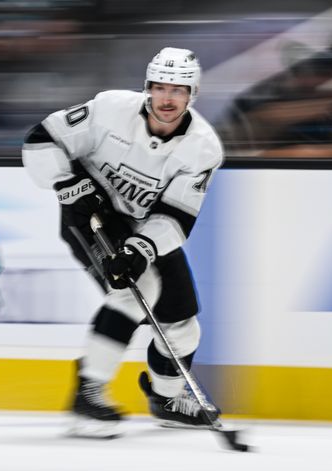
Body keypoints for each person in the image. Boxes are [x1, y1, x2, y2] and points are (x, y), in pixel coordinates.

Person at [22, 48, 224, 438]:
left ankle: (167, 398)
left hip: (144, 227)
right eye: (160, 87)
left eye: (178, 90)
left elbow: (177, 216)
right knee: (137, 290)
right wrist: (66, 183)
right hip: (91, 217)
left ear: (192, 93)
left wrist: (140, 249)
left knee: (183, 323)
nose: (167, 99)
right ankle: (88, 393)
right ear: (147, 87)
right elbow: (41, 138)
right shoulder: (110, 108)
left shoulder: (202, 148)